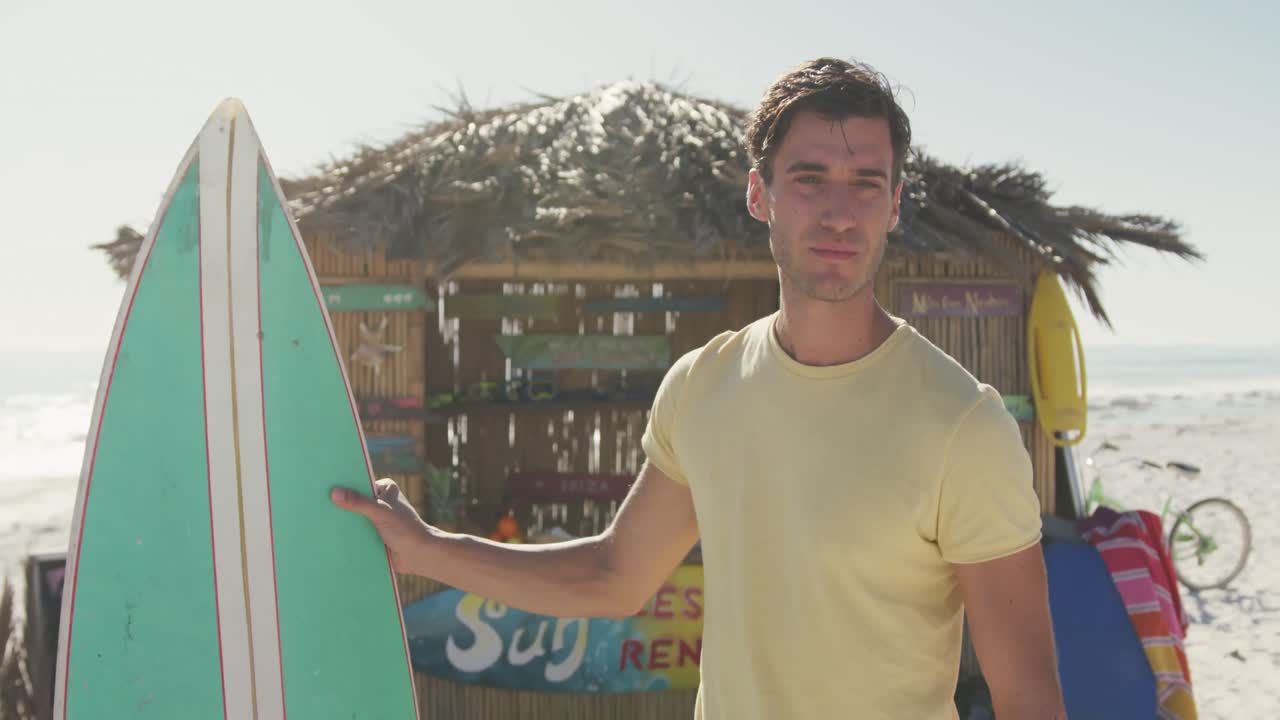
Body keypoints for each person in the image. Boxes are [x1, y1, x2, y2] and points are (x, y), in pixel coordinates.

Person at [331, 57, 1066, 719]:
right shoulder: (704, 384)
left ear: (895, 204)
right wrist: (426, 550)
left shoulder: (961, 423)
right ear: (759, 194)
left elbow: (1029, 697)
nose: (839, 212)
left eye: (866, 183)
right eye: (809, 179)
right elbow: (614, 577)